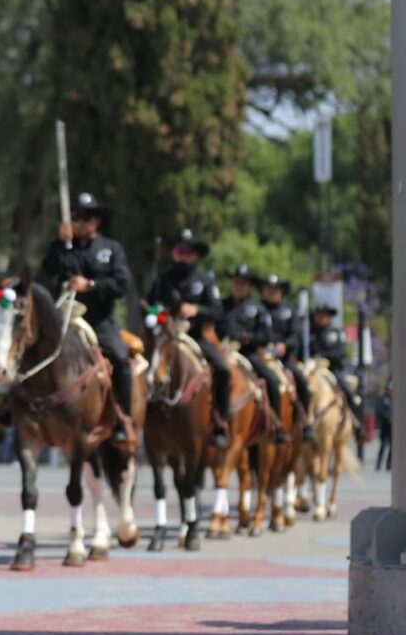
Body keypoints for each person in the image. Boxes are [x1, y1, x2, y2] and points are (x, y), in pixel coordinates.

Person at [40, 192, 133, 444]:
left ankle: (124, 417)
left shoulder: (111, 249)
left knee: (121, 358)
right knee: (32, 349)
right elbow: (46, 272)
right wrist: (58, 244)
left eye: (85, 217)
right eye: (75, 217)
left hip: (99, 320)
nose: (79, 222)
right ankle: (15, 407)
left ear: (96, 221)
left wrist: (90, 285)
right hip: (64, 318)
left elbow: (122, 284)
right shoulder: (62, 248)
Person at [147, 229, 229, 449]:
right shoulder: (163, 280)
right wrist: (162, 314)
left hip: (194, 336)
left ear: (195, 255)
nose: (183, 255)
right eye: (179, 251)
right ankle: (142, 417)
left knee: (223, 369)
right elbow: (150, 307)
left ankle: (220, 421)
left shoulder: (205, 281)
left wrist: (196, 309)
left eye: (188, 251)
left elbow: (217, 311)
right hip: (166, 337)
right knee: (142, 365)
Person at [218, 265, 288, 444]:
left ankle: (277, 424)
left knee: (272, 379)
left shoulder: (257, 308)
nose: (238, 286)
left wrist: (248, 338)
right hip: (223, 351)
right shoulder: (222, 306)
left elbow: (266, 334)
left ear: (249, 287)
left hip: (248, 353)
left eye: (243, 283)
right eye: (236, 282)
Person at [260, 273, 314, 442]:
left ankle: (304, 422)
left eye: (274, 289)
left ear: (281, 292)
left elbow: (296, 335)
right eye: (268, 289)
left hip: (284, 358)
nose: (271, 292)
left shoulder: (289, 310)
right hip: (260, 356)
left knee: (302, 381)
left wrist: (284, 346)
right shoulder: (257, 308)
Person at [309, 304, 363, 424]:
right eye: (318, 315)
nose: (320, 318)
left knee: (347, 389)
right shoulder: (310, 332)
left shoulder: (337, 332)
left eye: (323, 315)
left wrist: (324, 356)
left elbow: (341, 352)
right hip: (314, 368)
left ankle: (357, 422)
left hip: (333, 368)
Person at [376, 381, 392, 471]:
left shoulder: (395, 400)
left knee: (392, 447)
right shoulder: (383, 399)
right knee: (383, 445)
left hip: (392, 428)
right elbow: (380, 410)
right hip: (385, 427)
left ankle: (389, 465)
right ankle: (378, 464)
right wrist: (388, 418)